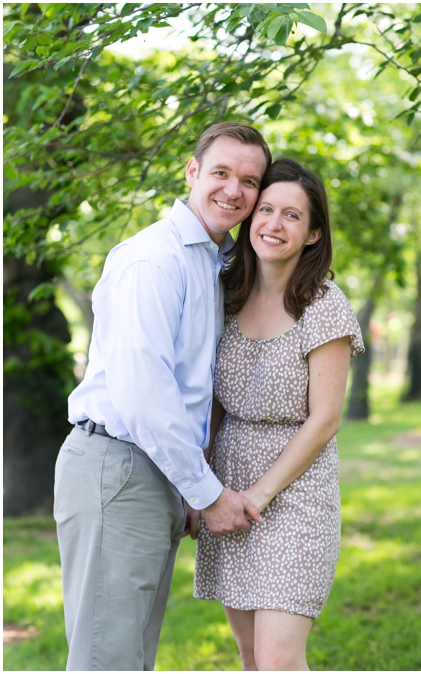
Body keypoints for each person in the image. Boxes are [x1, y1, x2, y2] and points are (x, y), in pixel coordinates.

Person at [55, 122, 271, 670]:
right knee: (109, 657)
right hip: (117, 465)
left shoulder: (209, 261)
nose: (234, 190)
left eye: (249, 180)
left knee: (132, 655)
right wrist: (205, 492)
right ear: (192, 172)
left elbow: (188, 390)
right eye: (220, 173)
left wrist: (185, 486)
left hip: (151, 468)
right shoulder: (155, 259)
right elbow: (144, 394)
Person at [193, 158, 364, 671]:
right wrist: (202, 490)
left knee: (277, 660)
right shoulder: (227, 295)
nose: (273, 223)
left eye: (292, 215)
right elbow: (216, 404)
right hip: (228, 494)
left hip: (293, 501)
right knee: (250, 657)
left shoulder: (323, 304)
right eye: (265, 209)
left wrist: (258, 495)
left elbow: (325, 420)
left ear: (313, 233)